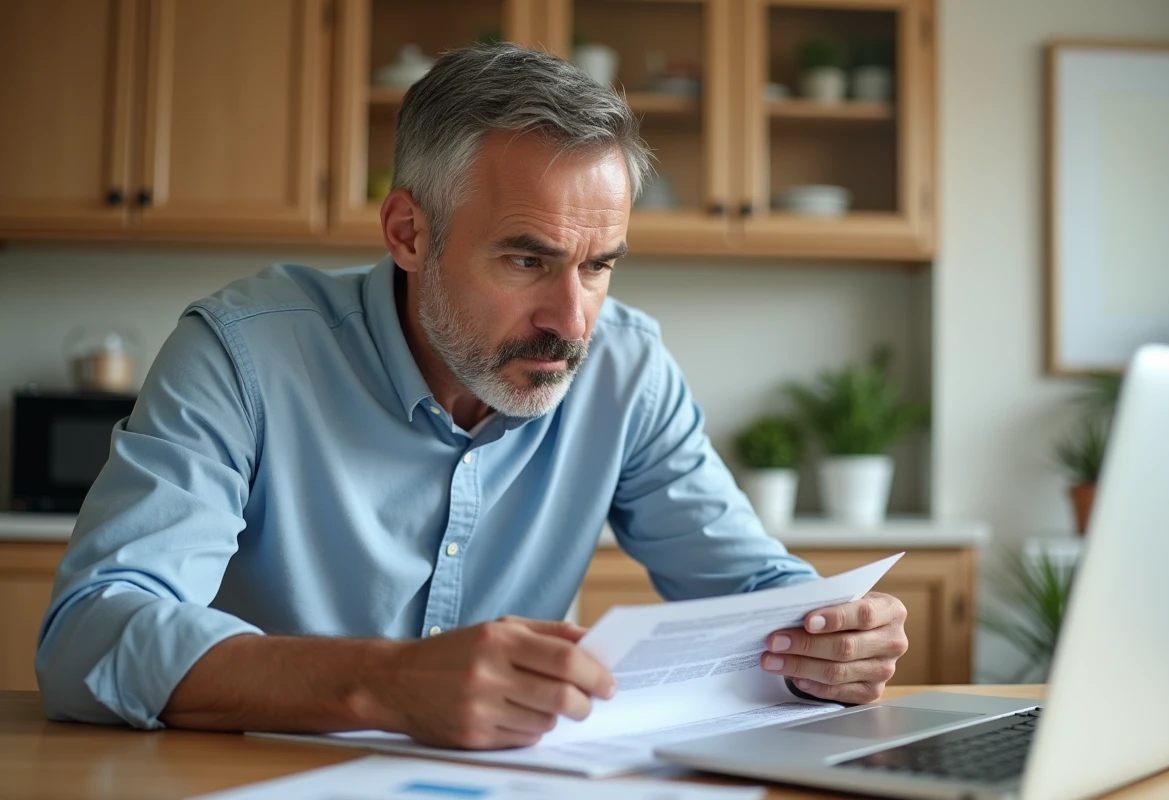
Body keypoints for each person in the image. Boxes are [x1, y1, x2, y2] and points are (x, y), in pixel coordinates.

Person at [36, 44, 908, 749]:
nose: (571, 320)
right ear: (410, 232)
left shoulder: (627, 368)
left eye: (598, 266)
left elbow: (752, 583)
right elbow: (94, 636)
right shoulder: (244, 352)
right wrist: (383, 683)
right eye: (527, 259)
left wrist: (828, 638)